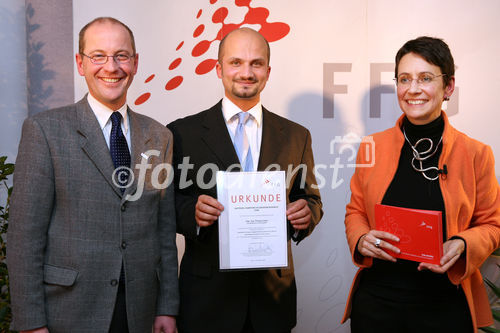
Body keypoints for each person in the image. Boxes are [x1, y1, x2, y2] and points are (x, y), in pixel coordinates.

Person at [7, 17, 178, 333]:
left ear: (135, 63)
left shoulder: (159, 136)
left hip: (140, 312)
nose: (111, 67)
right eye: (98, 56)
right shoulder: (45, 131)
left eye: (121, 55)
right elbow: (23, 238)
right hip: (68, 311)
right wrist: (31, 324)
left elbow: (163, 233)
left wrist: (166, 307)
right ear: (80, 63)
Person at [167, 27, 323, 333]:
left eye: (256, 63)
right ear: (218, 68)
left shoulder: (296, 135)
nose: (246, 72)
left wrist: (306, 213)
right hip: (207, 302)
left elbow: (311, 199)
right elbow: (166, 204)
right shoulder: (182, 133)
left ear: (268, 71)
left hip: (272, 301)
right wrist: (193, 213)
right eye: (236, 62)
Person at [341, 36, 500, 332]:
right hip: (377, 303)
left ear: (448, 86)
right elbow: (356, 212)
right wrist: (361, 238)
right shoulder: (370, 146)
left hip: (445, 304)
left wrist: (464, 244)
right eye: (404, 79)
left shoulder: (476, 154)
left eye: (425, 78)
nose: (412, 89)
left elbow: (493, 225)